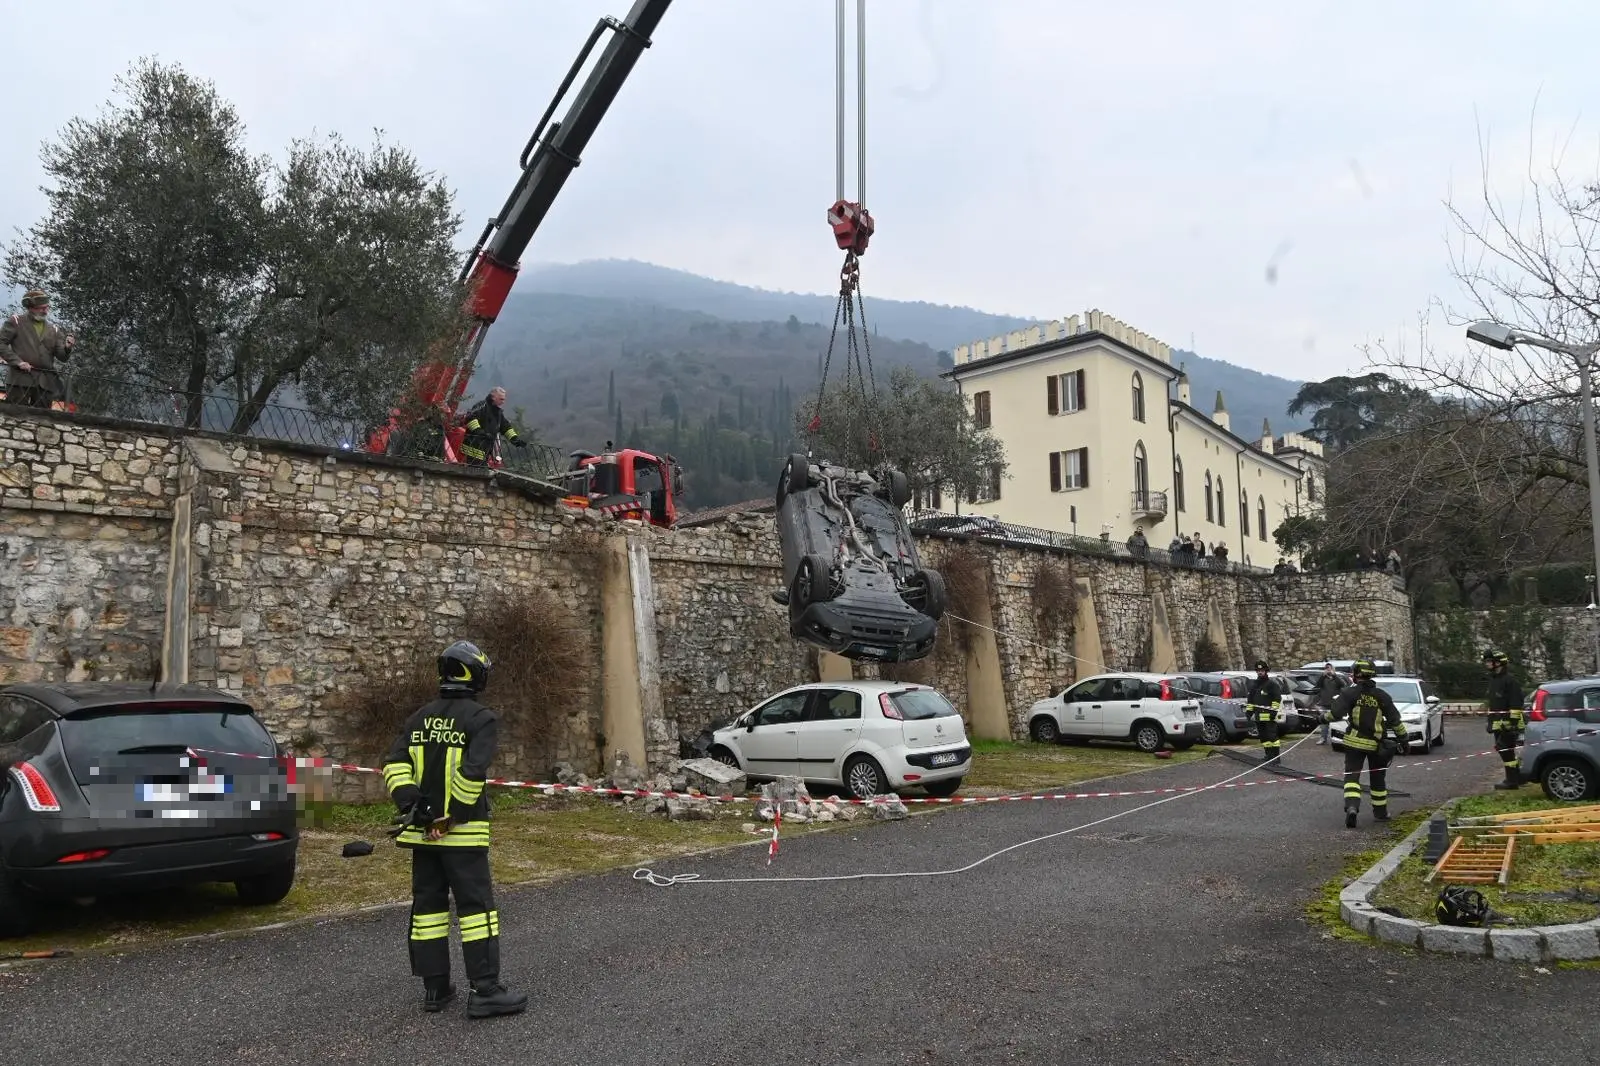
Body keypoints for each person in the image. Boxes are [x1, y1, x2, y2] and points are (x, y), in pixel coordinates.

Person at [382, 640, 527, 1018]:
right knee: (476, 910)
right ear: (474, 674)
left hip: (422, 836)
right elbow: (471, 774)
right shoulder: (481, 719)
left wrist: (414, 806)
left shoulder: (418, 717)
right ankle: (486, 990)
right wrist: (453, 817)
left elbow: (393, 766)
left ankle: (435, 989)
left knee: (428, 909)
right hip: (461, 837)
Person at [1324, 659, 1407, 827]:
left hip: (1354, 743)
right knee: (1377, 780)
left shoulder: (1349, 693)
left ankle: (1352, 808)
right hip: (1377, 745)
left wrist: (1321, 718)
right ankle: (1381, 813)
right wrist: (1404, 740)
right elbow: (1395, 721)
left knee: (1352, 778)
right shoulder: (1382, 696)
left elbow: (1335, 714)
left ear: (1355, 675)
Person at [0, 290, 75, 409]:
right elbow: (1, 344)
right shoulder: (16, 322)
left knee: (43, 421)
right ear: (31, 308)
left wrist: (67, 348)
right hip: (20, 380)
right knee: (16, 416)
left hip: (45, 384)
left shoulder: (54, 329)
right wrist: (18, 362)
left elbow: (62, 357)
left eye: (47, 307)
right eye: (42, 308)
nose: (46, 311)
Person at [1483, 647, 1526, 791]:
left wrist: (1513, 723)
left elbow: (1516, 702)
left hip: (1509, 724)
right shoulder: (1494, 680)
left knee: (1506, 750)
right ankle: (1517, 778)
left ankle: (1512, 781)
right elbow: (1493, 703)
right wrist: (1489, 721)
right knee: (1504, 751)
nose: (1487, 664)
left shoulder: (1510, 681)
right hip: (1498, 723)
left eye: (1490, 661)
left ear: (1499, 663)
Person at [458, 386, 528, 466]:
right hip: (473, 449)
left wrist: (515, 440)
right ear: (493, 397)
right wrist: (481, 433)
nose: (503, 402)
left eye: (504, 399)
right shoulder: (482, 405)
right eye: (501, 399)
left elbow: (506, 428)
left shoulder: (498, 413)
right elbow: (470, 418)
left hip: (485, 451)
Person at [1245, 659, 1284, 763]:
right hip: (1258, 717)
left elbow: (1277, 699)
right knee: (1263, 738)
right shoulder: (1254, 685)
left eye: (1262, 670)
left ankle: (1276, 757)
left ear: (1266, 671)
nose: (1260, 672)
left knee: (1272, 737)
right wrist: (1249, 713)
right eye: (1258, 671)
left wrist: (1273, 713)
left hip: (1269, 717)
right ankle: (1268, 755)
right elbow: (1250, 700)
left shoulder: (1271, 684)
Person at [1312, 662, 1344, 745]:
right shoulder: (1323, 679)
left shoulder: (1337, 678)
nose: (1328, 670)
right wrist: (1323, 676)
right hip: (1324, 704)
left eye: (1329, 668)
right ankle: (1323, 738)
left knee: (1338, 722)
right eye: (1326, 668)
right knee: (1324, 722)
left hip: (1335, 704)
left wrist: (1334, 675)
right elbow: (1318, 685)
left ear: (1333, 669)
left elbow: (1342, 684)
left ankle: (1338, 738)